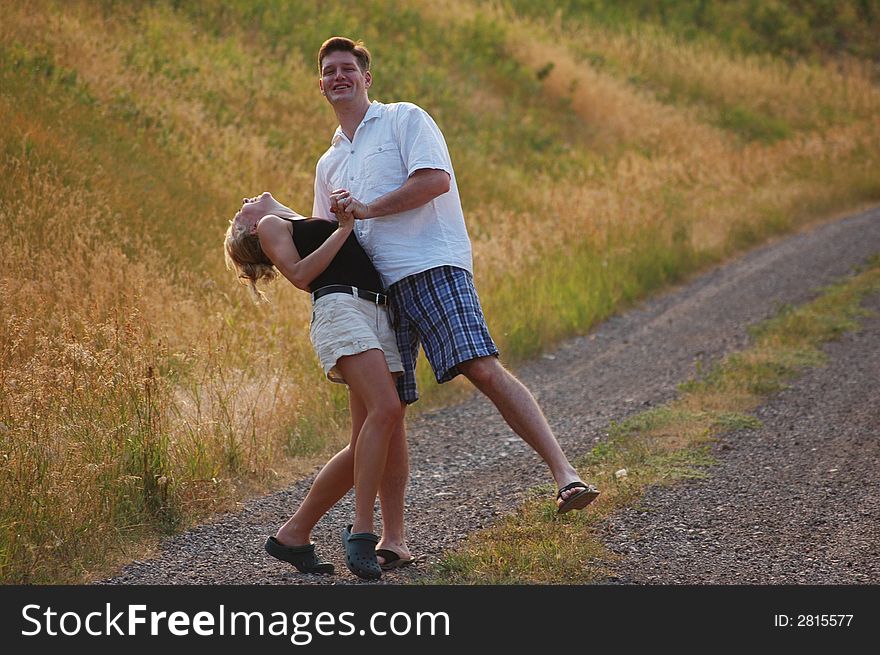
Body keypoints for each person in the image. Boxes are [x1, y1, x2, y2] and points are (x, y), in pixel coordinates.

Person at [312, 36, 600, 530]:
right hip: (376, 294)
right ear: (321, 86)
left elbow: (434, 182)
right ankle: (394, 538)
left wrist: (368, 208)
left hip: (430, 265)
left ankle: (566, 477)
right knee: (389, 414)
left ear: (367, 78)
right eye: (330, 71)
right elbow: (330, 237)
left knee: (482, 368)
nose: (339, 76)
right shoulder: (328, 162)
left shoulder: (405, 118)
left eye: (348, 69)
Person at [224, 191, 411, 580]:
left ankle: (293, 534)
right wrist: (344, 229)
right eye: (237, 214)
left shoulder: (300, 221)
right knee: (387, 410)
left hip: (372, 309)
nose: (244, 199)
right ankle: (362, 531)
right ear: (251, 229)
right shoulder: (273, 225)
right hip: (342, 308)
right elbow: (300, 275)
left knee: (364, 437)